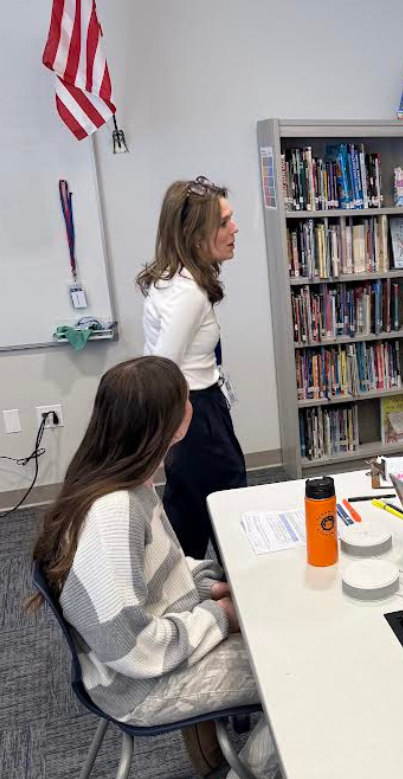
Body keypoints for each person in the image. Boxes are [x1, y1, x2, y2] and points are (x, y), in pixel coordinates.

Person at [29, 357, 282, 779]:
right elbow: (133, 648)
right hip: (140, 684)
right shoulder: (114, 513)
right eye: (187, 398)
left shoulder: (126, 480)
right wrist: (221, 614)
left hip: (153, 648)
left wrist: (214, 589)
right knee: (295, 670)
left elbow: (167, 572)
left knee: (282, 636)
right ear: (175, 423)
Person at [137, 176, 245, 560]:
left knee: (190, 507)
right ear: (195, 235)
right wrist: (165, 437)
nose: (234, 229)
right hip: (194, 412)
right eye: (223, 222)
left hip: (194, 410)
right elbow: (163, 371)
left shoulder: (174, 279)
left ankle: (181, 589)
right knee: (225, 505)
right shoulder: (189, 295)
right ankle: (230, 592)